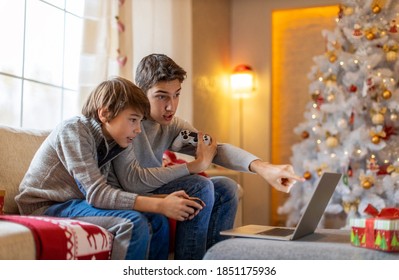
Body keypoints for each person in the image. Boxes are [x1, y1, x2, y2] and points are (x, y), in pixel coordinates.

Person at [111, 54, 305, 259]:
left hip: (152, 185)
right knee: (200, 185)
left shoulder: (172, 125)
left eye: (176, 94)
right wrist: (196, 165)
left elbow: (214, 149)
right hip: (129, 190)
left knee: (226, 187)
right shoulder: (127, 121)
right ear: (141, 93)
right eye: (161, 96)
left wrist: (264, 168)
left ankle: (214, 262)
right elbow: (132, 182)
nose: (171, 106)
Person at [15, 76, 216, 260]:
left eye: (139, 121)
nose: (138, 129)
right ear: (105, 113)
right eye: (133, 120)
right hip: (47, 205)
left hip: (76, 202)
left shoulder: (114, 141)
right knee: (132, 223)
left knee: (158, 221)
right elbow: (97, 194)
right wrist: (159, 204)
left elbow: (112, 191)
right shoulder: (74, 131)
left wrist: (162, 200)